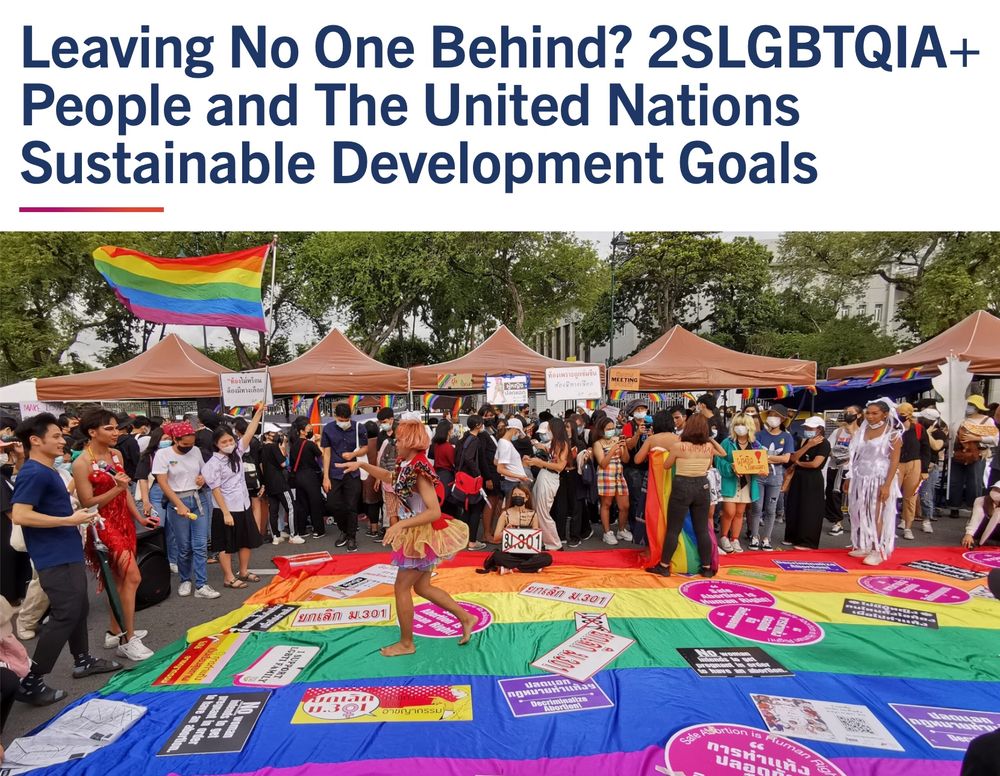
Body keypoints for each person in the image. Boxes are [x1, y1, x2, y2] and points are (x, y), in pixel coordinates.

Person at [10, 413, 121, 706]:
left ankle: (82, 659)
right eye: (57, 436)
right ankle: (31, 680)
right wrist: (69, 519)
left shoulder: (47, 470)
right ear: (35, 440)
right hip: (53, 556)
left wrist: (74, 518)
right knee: (66, 613)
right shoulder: (34, 472)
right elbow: (21, 515)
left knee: (79, 608)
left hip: (65, 550)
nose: (63, 440)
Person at [337, 419, 473, 656]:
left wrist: (400, 526)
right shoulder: (407, 463)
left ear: (410, 441)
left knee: (401, 587)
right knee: (422, 587)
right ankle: (466, 617)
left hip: (421, 533)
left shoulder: (419, 468)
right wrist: (362, 466)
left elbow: (434, 511)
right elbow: (390, 477)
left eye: (399, 439)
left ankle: (407, 643)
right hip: (417, 533)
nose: (395, 442)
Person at [73, 408, 158, 662]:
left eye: (116, 428)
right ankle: (126, 639)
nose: (116, 432)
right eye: (109, 428)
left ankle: (114, 629)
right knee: (133, 577)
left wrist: (140, 517)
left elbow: (126, 493)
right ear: (92, 432)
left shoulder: (116, 454)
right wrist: (118, 488)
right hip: (102, 526)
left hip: (125, 524)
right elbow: (88, 502)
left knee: (120, 581)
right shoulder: (81, 463)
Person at [646, 415, 726, 577]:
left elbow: (667, 466)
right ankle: (706, 568)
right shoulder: (708, 448)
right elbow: (722, 454)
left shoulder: (678, 446)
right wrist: (710, 439)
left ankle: (664, 566)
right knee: (702, 529)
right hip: (702, 487)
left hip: (682, 487)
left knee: (673, 530)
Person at [152, 421, 219, 599]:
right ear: (175, 439)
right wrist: (178, 504)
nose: (188, 447)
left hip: (199, 499)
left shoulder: (196, 451)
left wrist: (202, 478)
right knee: (184, 547)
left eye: (191, 444)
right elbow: (162, 482)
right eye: (184, 444)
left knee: (200, 544)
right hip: (177, 501)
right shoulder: (162, 454)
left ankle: (201, 584)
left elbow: (204, 471)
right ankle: (185, 579)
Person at [202, 407, 265, 590]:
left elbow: (250, 431)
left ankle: (243, 571)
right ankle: (229, 577)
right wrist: (226, 513)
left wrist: (258, 413)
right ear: (216, 444)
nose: (229, 443)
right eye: (224, 441)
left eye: (230, 439)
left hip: (243, 504)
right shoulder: (212, 464)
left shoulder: (237, 452)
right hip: (225, 509)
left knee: (246, 541)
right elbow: (216, 490)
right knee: (226, 544)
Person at [845, 399, 903, 566]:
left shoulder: (893, 434)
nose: (870, 416)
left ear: (885, 414)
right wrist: (850, 477)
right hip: (861, 476)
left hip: (880, 477)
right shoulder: (861, 432)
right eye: (868, 413)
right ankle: (865, 544)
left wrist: (886, 485)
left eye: (874, 413)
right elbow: (855, 457)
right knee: (861, 510)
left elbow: (894, 462)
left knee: (876, 512)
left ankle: (877, 550)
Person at [321, 403, 369, 553]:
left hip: (352, 472)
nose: (344, 422)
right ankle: (344, 530)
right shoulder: (328, 429)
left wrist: (353, 455)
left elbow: (365, 447)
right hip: (334, 473)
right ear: (335, 417)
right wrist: (325, 477)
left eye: (347, 419)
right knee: (333, 504)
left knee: (352, 505)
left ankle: (352, 537)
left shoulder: (358, 427)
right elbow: (326, 454)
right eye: (341, 419)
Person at [716, 413, 763, 553]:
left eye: (742, 424)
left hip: (747, 482)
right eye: (737, 424)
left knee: (740, 512)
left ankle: (734, 538)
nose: (740, 427)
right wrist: (731, 467)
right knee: (729, 512)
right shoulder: (727, 442)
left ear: (749, 427)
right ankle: (724, 536)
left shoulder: (755, 444)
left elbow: (761, 461)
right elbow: (718, 459)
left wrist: (761, 469)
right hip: (730, 482)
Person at [782, 417, 831, 550]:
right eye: (807, 428)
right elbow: (793, 457)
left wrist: (799, 463)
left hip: (812, 479)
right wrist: (808, 445)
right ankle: (792, 536)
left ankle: (807, 541)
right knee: (794, 506)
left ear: (819, 429)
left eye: (811, 428)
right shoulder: (805, 441)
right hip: (798, 477)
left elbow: (815, 463)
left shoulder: (825, 444)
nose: (808, 431)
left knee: (809, 509)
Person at [524, 416, 572, 552]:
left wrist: (540, 463)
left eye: (549, 429)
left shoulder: (563, 444)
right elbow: (545, 449)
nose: (548, 431)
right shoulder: (554, 442)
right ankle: (546, 540)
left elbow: (559, 466)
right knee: (537, 509)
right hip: (544, 475)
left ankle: (555, 544)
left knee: (543, 511)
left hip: (550, 477)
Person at [752, 406, 796, 551]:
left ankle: (766, 538)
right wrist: (774, 458)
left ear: (783, 419)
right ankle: (754, 536)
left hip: (776, 477)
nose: (772, 417)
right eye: (770, 414)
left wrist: (767, 457)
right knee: (757, 507)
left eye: (775, 415)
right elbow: (754, 455)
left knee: (771, 509)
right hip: (759, 475)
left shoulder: (787, 437)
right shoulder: (759, 435)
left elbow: (785, 458)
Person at [950, 395, 999, 517]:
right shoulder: (960, 418)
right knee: (956, 481)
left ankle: (974, 508)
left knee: (975, 482)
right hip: (959, 453)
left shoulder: (988, 421)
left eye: (971, 405)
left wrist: (976, 438)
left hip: (978, 454)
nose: (969, 407)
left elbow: (995, 439)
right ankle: (954, 507)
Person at [136, 427, 177, 573]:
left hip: (173, 492)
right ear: (156, 440)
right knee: (160, 527)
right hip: (157, 493)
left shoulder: (174, 453)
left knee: (173, 528)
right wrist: (146, 501)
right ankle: (159, 559)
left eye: (169, 439)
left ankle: (173, 560)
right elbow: (142, 479)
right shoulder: (148, 456)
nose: (167, 441)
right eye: (164, 439)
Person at [450, 415, 491, 551]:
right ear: (478, 425)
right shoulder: (474, 440)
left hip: (462, 479)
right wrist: (478, 473)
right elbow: (469, 458)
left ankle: (462, 539)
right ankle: (472, 542)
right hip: (471, 480)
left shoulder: (463, 439)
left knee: (466, 509)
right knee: (475, 509)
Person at [593, 416, 632, 545]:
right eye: (608, 429)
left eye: (613, 428)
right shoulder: (598, 443)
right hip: (605, 476)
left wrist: (624, 446)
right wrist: (613, 449)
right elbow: (603, 463)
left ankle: (621, 530)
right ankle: (607, 532)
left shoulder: (617, 439)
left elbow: (626, 460)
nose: (611, 431)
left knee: (624, 505)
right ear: (601, 430)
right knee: (606, 504)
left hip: (619, 475)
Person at [894, 402, 929, 541]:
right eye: (898, 413)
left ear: (909, 414)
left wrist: (924, 469)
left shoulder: (919, 429)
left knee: (911, 497)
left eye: (902, 414)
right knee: (892, 496)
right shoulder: (894, 428)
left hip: (914, 463)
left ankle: (908, 526)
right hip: (896, 464)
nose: (899, 416)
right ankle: (889, 526)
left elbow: (926, 450)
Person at [825, 407, 861, 538]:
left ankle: (856, 522)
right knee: (834, 495)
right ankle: (837, 522)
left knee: (854, 496)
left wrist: (853, 434)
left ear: (859, 415)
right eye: (846, 413)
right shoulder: (838, 431)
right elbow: (828, 447)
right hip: (835, 467)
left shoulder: (862, 433)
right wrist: (836, 456)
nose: (848, 415)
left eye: (851, 413)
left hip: (853, 470)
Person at [261, 431, 303, 545]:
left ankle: (276, 536)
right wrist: (283, 449)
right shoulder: (273, 447)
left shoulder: (262, 447)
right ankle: (294, 535)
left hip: (269, 483)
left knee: (273, 510)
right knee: (291, 507)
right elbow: (284, 464)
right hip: (279, 482)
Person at [290, 418, 327, 540]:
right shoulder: (310, 444)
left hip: (298, 477)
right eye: (309, 428)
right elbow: (322, 455)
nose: (311, 430)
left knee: (302, 504)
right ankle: (318, 530)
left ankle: (301, 530)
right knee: (315, 502)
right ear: (302, 431)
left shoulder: (293, 445)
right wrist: (318, 442)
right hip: (310, 476)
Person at [622, 400, 652, 544]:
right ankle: (635, 529)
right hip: (633, 468)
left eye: (643, 409)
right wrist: (637, 434)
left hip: (648, 466)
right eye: (638, 409)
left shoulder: (650, 424)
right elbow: (628, 445)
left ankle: (646, 528)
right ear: (633, 412)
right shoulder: (628, 426)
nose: (641, 412)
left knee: (647, 498)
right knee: (635, 499)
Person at [233, 416, 267, 539]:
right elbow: (261, 463)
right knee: (256, 504)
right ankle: (257, 532)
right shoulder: (256, 442)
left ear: (237, 430)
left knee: (244, 505)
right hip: (255, 477)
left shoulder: (237, 444)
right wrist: (264, 482)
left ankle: (245, 532)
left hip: (241, 478)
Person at [917, 407, 948, 532]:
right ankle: (905, 520)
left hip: (930, 466)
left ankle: (927, 519)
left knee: (926, 494)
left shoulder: (939, 433)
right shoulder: (917, 430)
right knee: (909, 495)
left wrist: (927, 433)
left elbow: (936, 446)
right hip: (915, 464)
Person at [494, 417, 532, 505]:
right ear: (514, 429)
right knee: (512, 510)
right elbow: (500, 469)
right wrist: (520, 476)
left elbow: (496, 462)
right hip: (512, 483)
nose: (518, 434)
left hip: (512, 482)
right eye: (518, 431)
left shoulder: (502, 441)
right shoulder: (506, 444)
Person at [961, 483, 1000, 548]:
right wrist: (969, 534)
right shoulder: (981, 500)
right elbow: (976, 518)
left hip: (996, 531)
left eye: (999, 491)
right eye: (995, 489)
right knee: (970, 540)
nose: (996, 492)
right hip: (981, 529)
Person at [430, 420, 456, 487]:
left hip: (436, 473)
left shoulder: (436, 445)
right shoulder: (448, 447)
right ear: (448, 432)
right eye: (452, 430)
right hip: (446, 477)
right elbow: (454, 463)